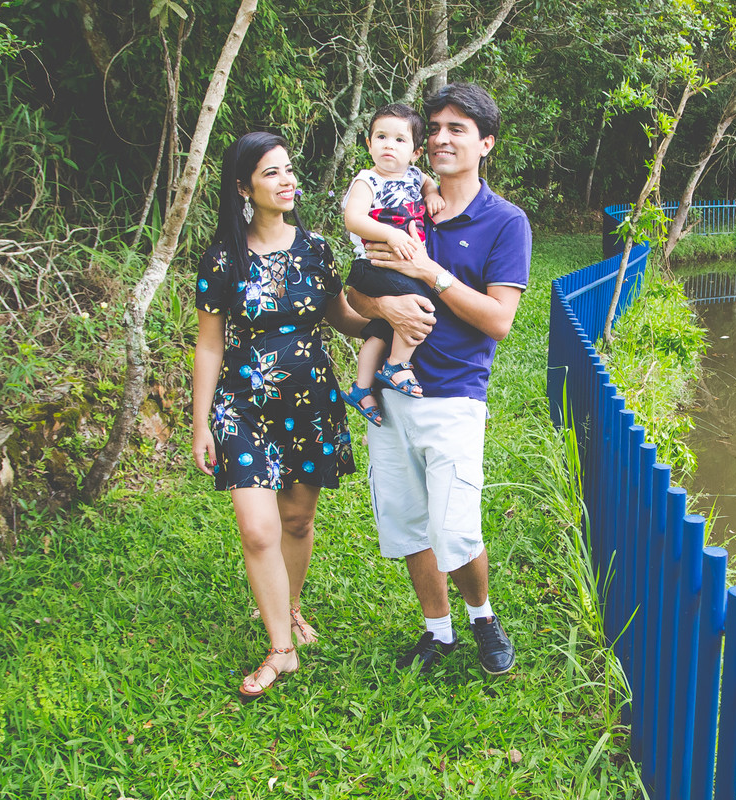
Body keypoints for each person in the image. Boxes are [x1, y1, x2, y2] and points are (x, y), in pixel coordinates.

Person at [347, 83, 532, 675]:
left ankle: (481, 616)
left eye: (458, 129)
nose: (442, 138)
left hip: (455, 395)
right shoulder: (395, 206)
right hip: (392, 394)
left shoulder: (506, 222)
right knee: (407, 524)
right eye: (435, 128)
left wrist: (430, 272)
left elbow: (500, 320)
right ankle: (438, 630)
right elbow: (358, 294)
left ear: (486, 143)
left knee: (457, 528)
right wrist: (386, 311)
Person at [191, 131, 368, 698]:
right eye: (272, 173)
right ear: (244, 187)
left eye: (288, 170)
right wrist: (200, 423)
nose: (288, 180)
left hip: (311, 403)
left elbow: (342, 316)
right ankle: (281, 650)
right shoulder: (222, 256)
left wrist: (392, 321)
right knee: (258, 528)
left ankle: (289, 607)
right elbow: (209, 345)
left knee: (295, 521)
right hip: (242, 404)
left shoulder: (316, 249)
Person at [341, 103, 446, 424]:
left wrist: (431, 193)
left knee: (385, 328)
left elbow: (429, 183)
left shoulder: (415, 175)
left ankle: (361, 387)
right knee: (420, 305)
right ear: (369, 144)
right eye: (381, 137)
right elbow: (353, 218)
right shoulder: (367, 181)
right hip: (372, 265)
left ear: (415, 153)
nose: (389, 144)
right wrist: (391, 235)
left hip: (396, 266)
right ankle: (397, 366)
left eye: (399, 140)